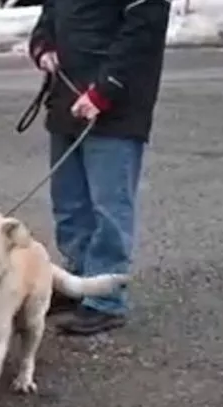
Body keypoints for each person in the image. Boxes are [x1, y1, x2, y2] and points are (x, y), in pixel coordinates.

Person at [27, 0, 171, 335]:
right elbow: (49, 16)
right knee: (69, 204)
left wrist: (105, 90)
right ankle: (80, 282)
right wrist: (43, 45)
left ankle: (106, 299)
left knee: (110, 206)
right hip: (66, 98)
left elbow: (142, 35)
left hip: (114, 107)